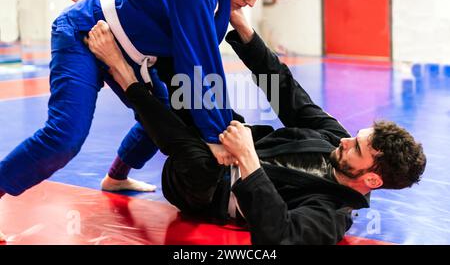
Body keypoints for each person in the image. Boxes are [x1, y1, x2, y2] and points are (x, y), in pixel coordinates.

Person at [83, 16, 426, 245]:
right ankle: (120, 27)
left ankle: (122, 72)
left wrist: (247, 159)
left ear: (372, 180)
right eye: (357, 137)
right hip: (231, 142)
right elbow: (289, 96)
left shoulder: (332, 216)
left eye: (358, 149)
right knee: (196, 91)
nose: (347, 140)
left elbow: (277, 236)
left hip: (199, 189)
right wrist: (243, 29)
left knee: (193, 153)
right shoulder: (334, 141)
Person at [0, 0, 306, 198]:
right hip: (84, 34)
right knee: (65, 137)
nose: (250, 2)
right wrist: (216, 134)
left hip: (128, 50)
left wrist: (220, 125)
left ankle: (116, 177)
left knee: (161, 116)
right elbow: (198, 65)